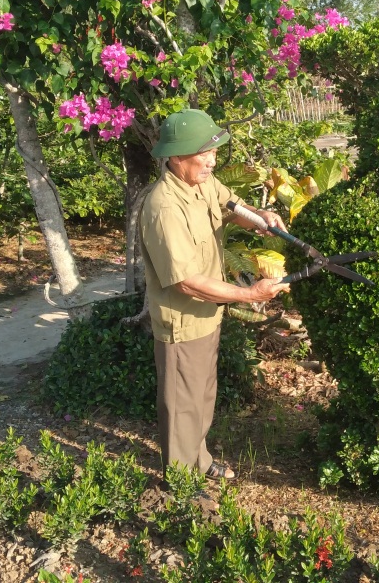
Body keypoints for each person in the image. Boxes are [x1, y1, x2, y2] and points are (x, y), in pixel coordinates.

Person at [141, 108, 289, 483]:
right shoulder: (163, 207)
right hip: (183, 318)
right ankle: (179, 484)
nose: (211, 161)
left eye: (214, 153)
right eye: (202, 153)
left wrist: (260, 218)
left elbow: (231, 206)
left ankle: (199, 460)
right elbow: (186, 282)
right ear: (175, 157)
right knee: (182, 406)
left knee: (203, 395)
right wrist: (250, 293)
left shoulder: (202, 182)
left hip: (209, 315)